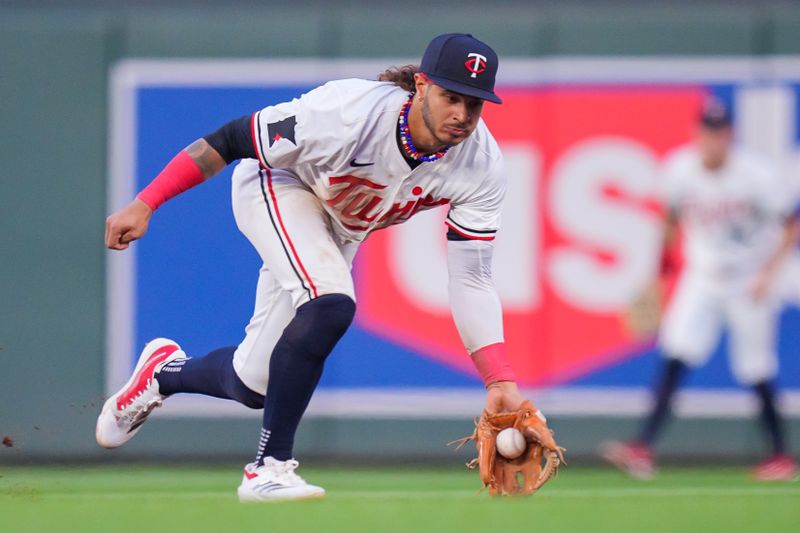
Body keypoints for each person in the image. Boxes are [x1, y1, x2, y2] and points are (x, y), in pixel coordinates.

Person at [97, 33, 546, 501]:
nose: (461, 114)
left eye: (474, 103)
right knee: (330, 304)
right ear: (421, 85)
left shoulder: (481, 165)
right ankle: (268, 469)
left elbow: (471, 277)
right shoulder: (348, 112)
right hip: (280, 184)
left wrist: (500, 381)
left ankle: (162, 374)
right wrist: (147, 202)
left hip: (339, 227)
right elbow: (231, 139)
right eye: (450, 96)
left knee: (255, 384)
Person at [601, 98, 800, 481]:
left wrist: (768, 274)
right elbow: (671, 219)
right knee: (677, 354)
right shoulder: (679, 170)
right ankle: (642, 447)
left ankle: (780, 456)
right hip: (703, 276)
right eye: (708, 132)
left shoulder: (755, 175)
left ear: (730, 135)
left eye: (720, 132)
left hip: (748, 278)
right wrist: (661, 271)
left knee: (755, 367)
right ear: (697, 134)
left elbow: (791, 224)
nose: (714, 140)